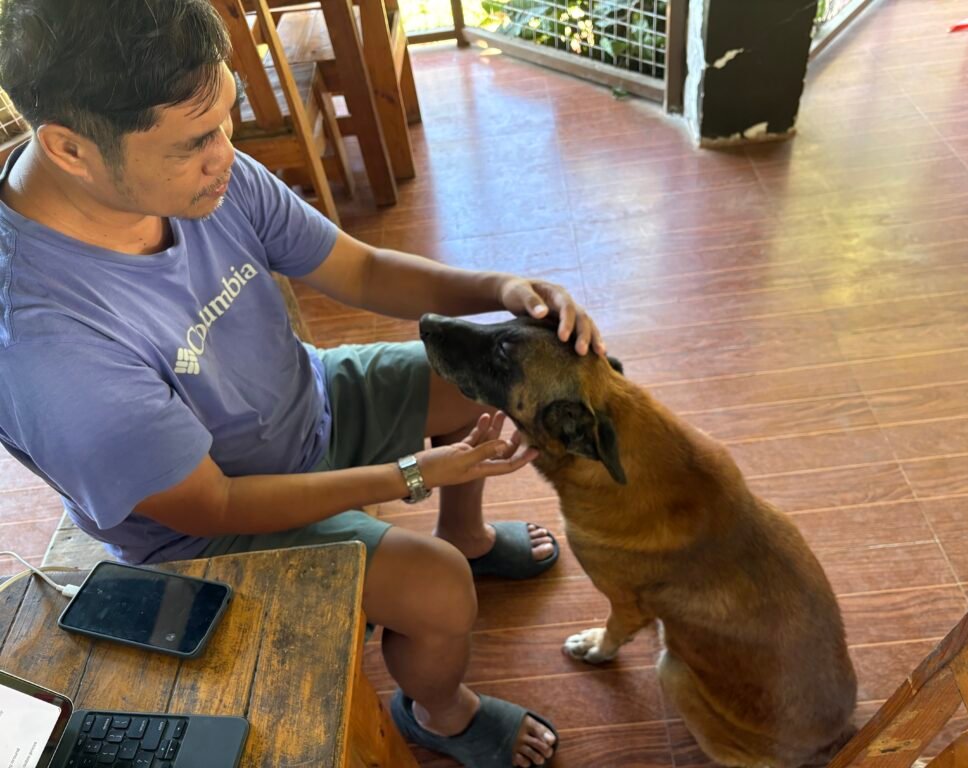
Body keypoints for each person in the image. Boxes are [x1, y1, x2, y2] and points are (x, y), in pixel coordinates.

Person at [0, 1, 606, 765]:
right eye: (198, 141)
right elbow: (213, 503)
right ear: (71, 150)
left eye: (227, 118)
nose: (229, 152)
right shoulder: (43, 344)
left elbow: (361, 267)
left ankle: (469, 532)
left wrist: (504, 288)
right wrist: (411, 473)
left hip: (303, 401)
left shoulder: (187, 169)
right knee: (441, 591)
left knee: (488, 368)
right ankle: (442, 714)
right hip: (210, 532)